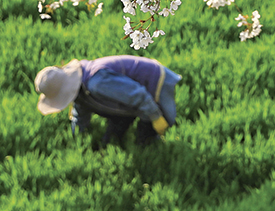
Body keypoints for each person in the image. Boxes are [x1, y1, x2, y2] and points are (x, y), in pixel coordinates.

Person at [35, 55, 181, 146]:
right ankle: (126, 126)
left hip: (155, 81)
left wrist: (155, 116)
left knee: (161, 125)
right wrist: (77, 137)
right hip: (130, 94)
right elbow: (81, 111)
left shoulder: (97, 83)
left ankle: (149, 142)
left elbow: (137, 95)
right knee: (111, 141)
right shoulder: (81, 90)